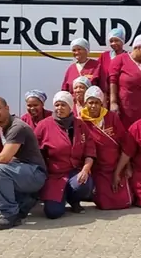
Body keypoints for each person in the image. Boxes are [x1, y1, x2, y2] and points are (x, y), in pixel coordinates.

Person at [0, 96, 48, 230]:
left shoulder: (17, 127)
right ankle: (24, 202)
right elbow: (11, 158)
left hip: (35, 173)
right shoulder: (5, 127)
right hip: (19, 171)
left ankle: (9, 215)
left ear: (7, 108)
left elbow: (4, 158)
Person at [35, 91, 96, 219]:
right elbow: (35, 152)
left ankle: (74, 200)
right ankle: (59, 199)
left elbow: (90, 152)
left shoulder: (80, 125)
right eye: (57, 105)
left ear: (70, 107)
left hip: (75, 172)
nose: (59, 108)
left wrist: (85, 170)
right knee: (53, 213)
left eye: (63, 105)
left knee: (84, 183)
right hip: (54, 175)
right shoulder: (44, 125)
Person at [79, 85, 132, 210]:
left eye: (97, 103)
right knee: (104, 204)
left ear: (102, 103)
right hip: (97, 169)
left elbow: (124, 144)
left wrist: (124, 168)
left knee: (124, 202)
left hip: (116, 166)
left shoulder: (111, 117)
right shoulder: (80, 121)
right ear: (85, 103)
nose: (93, 106)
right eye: (90, 102)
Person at [109, 34, 141, 128]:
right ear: (137, 47)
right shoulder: (120, 59)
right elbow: (112, 82)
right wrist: (113, 102)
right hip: (125, 108)